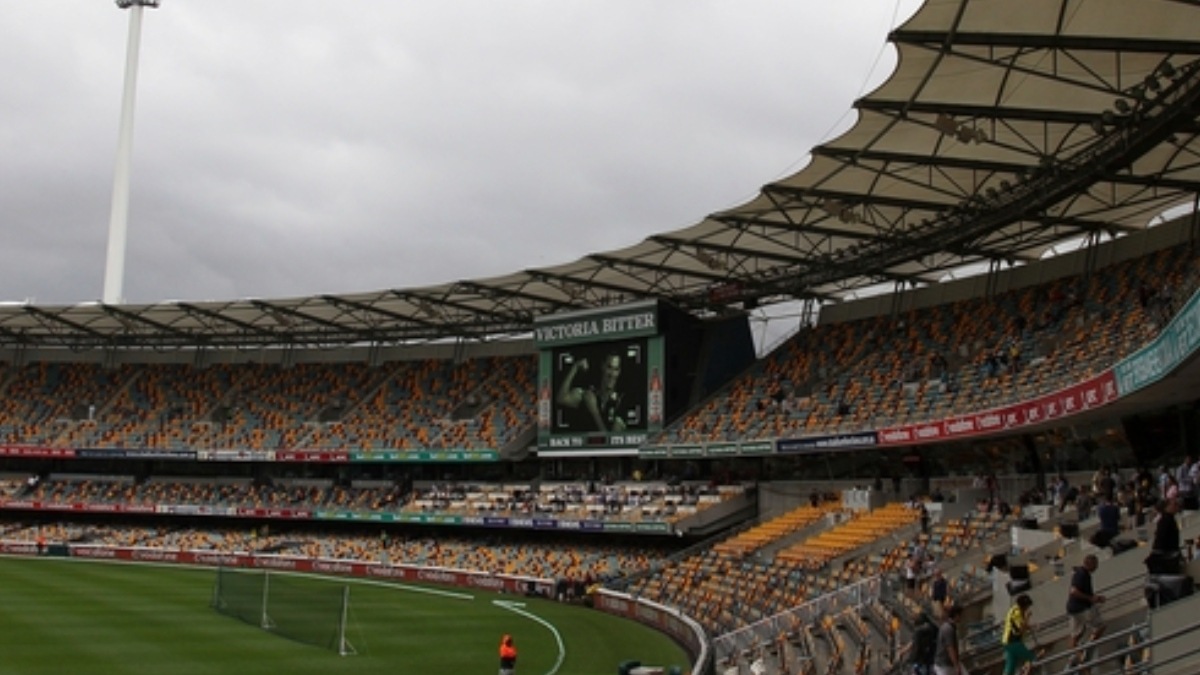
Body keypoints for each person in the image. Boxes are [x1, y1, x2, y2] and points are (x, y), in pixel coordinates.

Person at [555, 353, 629, 432]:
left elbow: (611, 441)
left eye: (616, 369)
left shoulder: (621, 401)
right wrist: (575, 367)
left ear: (619, 372)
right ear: (603, 366)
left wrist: (594, 411)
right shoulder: (589, 393)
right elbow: (561, 398)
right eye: (609, 367)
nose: (612, 374)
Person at [1066, 554, 1106, 673]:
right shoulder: (1082, 574)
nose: (1097, 567)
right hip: (1082, 609)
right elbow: (1074, 592)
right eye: (1096, 564)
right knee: (1100, 626)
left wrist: (1096, 598)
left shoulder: (1081, 573)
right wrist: (1090, 598)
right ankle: (1086, 651)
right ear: (1090, 564)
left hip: (1074, 609)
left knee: (1076, 636)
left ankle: (1080, 658)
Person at [1001, 594, 1036, 675]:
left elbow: (1022, 625)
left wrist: (1032, 626)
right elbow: (1021, 628)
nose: (1028, 608)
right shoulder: (1016, 612)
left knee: (1010, 667)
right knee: (1031, 658)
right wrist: (1027, 618)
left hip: (1010, 642)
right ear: (1024, 606)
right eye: (1027, 606)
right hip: (1012, 642)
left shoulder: (1016, 610)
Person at [933, 604, 965, 675]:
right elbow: (950, 648)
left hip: (946, 664)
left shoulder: (948, 626)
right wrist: (956, 666)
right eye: (961, 615)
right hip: (945, 665)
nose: (962, 618)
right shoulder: (948, 629)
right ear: (956, 615)